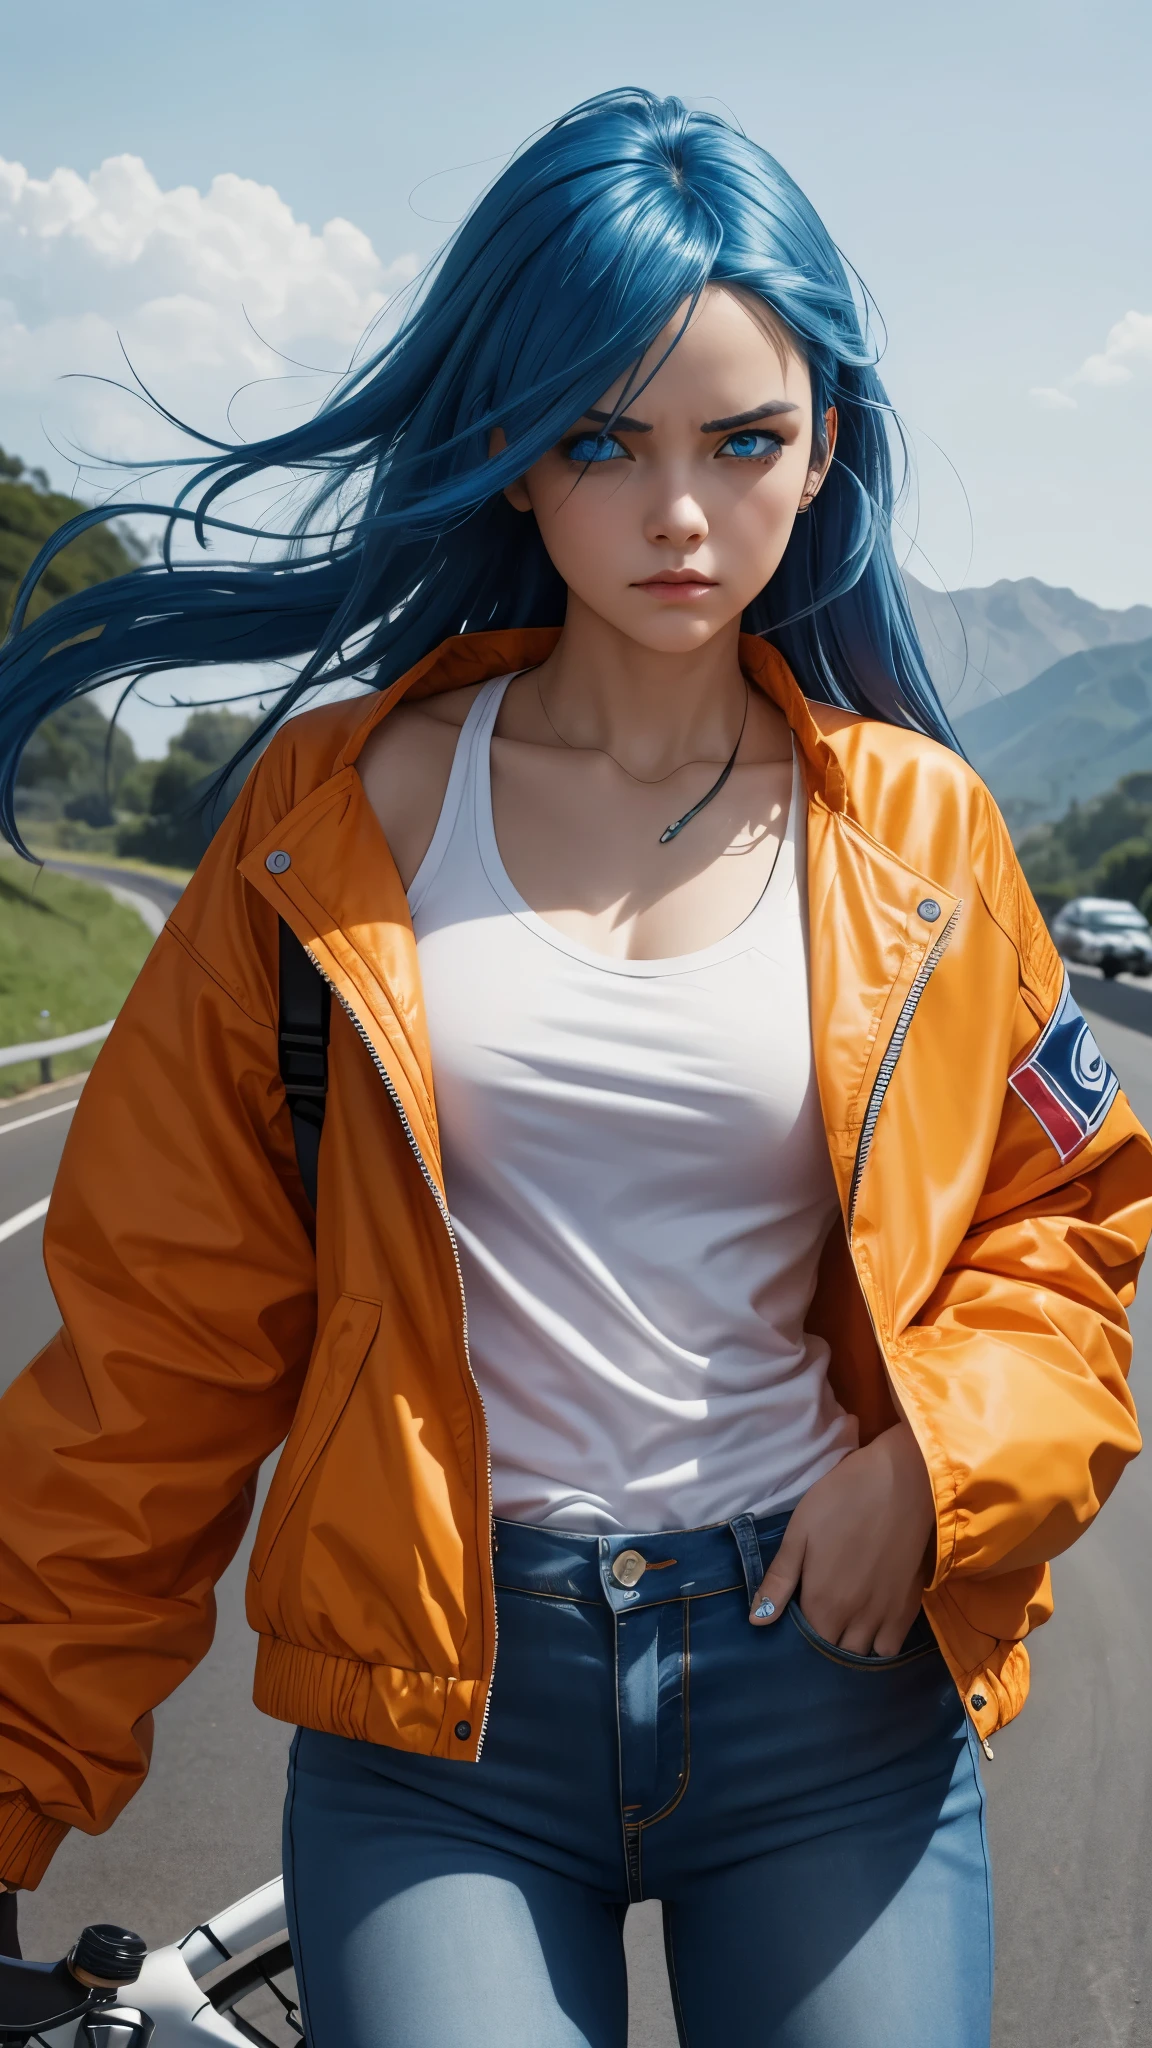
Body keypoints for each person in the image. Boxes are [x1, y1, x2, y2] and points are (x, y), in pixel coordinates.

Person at [0, 89, 1147, 2048]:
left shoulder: (926, 843)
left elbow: (1067, 1238)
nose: (678, 509)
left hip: (828, 1688)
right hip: (439, 1719)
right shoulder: (328, 821)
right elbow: (156, 1350)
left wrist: (931, 1465)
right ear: (515, 459)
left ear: (823, 454)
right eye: (603, 439)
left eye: (742, 440)